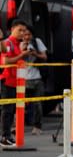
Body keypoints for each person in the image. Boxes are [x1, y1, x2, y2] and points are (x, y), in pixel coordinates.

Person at [0, 19, 31, 147]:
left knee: (11, 110)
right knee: (7, 110)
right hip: (7, 80)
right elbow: (6, 61)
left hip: (16, 82)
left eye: (24, 31)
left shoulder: (17, 44)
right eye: (20, 30)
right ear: (12, 29)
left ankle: (8, 135)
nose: (22, 33)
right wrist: (22, 55)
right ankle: (4, 137)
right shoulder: (8, 43)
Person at [22, 25, 47, 135]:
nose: (27, 37)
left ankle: (37, 126)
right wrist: (23, 51)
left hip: (36, 77)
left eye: (29, 34)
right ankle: (17, 125)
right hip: (22, 78)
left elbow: (45, 57)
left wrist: (34, 53)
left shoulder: (37, 42)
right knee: (20, 104)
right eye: (25, 34)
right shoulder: (18, 43)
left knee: (37, 104)